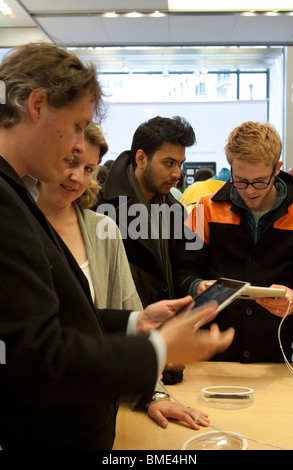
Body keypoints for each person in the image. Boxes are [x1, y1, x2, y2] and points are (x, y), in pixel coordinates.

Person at [0, 42, 234, 450]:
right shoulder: (8, 199)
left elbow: (52, 321)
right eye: (76, 126)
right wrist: (159, 348)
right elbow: (37, 359)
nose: (77, 146)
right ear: (36, 106)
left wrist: (133, 323)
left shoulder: (19, 194)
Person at [37, 121, 209, 429]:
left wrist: (154, 393)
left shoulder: (102, 229)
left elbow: (128, 314)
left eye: (90, 168)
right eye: (70, 162)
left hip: (101, 405)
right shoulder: (20, 226)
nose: (78, 177)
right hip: (35, 412)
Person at [175, 121, 293, 364]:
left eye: (260, 181)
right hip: (216, 355)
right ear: (229, 168)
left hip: (282, 357)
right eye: (240, 180)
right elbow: (183, 271)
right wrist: (196, 287)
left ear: (277, 168)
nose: (250, 190)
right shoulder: (204, 208)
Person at [94, 115, 196, 308]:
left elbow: (183, 267)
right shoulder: (101, 209)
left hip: (168, 326)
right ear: (141, 158)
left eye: (180, 164)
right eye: (169, 163)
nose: (176, 174)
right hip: (126, 329)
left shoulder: (175, 209)